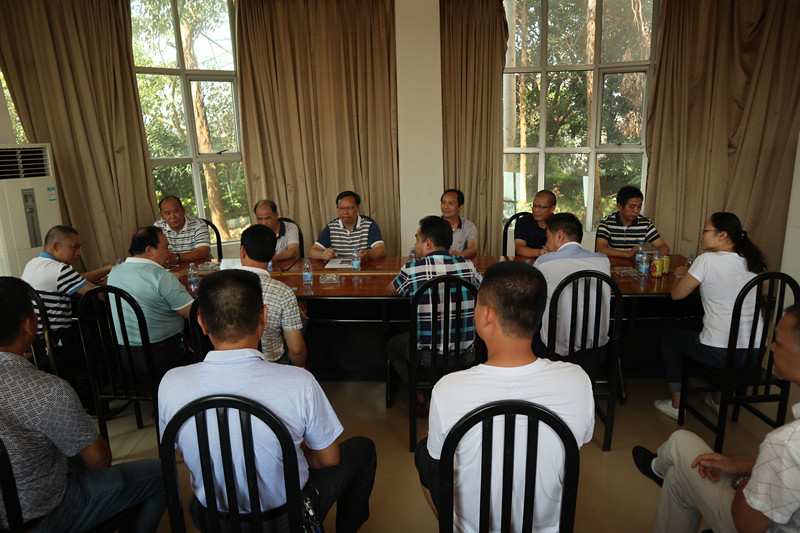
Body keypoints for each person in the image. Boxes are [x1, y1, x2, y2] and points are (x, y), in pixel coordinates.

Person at [158, 270, 376, 532]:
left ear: (202, 323)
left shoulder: (170, 383)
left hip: (212, 519)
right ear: (264, 317)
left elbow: (179, 449)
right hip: (284, 519)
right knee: (363, 449)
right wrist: (293, 455)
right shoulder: (299, 381)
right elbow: (329, 459)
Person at [414, 262, 595, 531]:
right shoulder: (577, 380)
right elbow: (581, 440)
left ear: (486, 314)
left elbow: (439, 458)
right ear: (538, 315)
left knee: (424, 453)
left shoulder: (448, 389)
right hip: (548, 528)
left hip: (475, 527)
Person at [0, 277, 165, 532]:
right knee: (159, 473)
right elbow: (98, 458)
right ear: (29, 324)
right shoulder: (48, 390)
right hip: (40, 517)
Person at [633, 303, 800, 533]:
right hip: (746, 353)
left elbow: (747, 525)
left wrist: (742, 479)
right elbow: (790, 468)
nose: (771, 347)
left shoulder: (785, 443)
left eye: (778, 342)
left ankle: (657, 467)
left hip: (754, 524)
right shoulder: (786, 448)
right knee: (679, 475)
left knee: (681, 442)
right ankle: (662, 470)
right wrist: (740, 466)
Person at [654, 212, 767, 420]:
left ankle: (677, 404)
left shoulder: (707, 260)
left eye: (705, 231)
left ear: (722, 235)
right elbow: (764, 291)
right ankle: (718, 398)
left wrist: (680, 275)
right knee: (710, 330)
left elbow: (677, 295)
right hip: (755, 351)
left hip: (719, 353)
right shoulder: (753, 262)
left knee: (670, 338)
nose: (701, 235)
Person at [385, 215, 483, 387]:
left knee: (392, 346)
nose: (415, 245)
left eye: (417, 240)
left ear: (428, 243)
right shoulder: (468, 265)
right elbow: (485, 291)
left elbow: (388, 292)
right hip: (466, 354)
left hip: (427, 357)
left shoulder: (412, 268)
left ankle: (417, 392)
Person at [21, 225, 112, 407]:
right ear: (56, 246)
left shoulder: (34, 263)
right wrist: (110, 281)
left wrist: (107, 268)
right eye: (74, 247)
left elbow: (78, 279)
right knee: (102, 342)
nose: (78, 253)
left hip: (36, 342)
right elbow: (100, 294)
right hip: (57, 342)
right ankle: (91, 403)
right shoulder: (59, 270)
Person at [107, 226, 194, 377]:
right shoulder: (161, 277)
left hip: (126, 355)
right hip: (163, 356)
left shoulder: (115, 272)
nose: (169, 252)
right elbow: (192, 313)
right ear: (149, 250)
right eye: (165, 247)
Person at [533, 212, 611, 376]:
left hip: (556, 350)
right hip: (596, 350)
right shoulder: (603, 260)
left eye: (548, 237)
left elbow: (532, 298)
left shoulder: (544, 262)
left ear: (559, 236)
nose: (546, 243)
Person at [239, 224, 307, 366]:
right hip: (272, 365)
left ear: (243, 251)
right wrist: (301, 369)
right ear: (273, 254)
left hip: (232, 367)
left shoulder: (221, 287)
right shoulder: (283, 293)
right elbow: (296, 349)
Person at [309, 190, 385, 262]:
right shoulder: (331, 227)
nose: (345, 212)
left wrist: (367, 255)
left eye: (349, 208)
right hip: (338, 269)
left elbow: (381, 250)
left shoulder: (369, 225)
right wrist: (322, 254)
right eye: (341, 208)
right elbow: (312, 251)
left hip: (362, 267)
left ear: (358, 207)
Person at [595, 185, 670, 258]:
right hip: (613, 264)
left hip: (636, 265)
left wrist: (654, 256)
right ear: (620, 207)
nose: (636, 211)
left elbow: (664, 247)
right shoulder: (607, 222)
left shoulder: (645, 223)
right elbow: (600, 249)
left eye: (639, 207)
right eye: (632, 207)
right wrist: (627, 254)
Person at [154, 195, 211, 263]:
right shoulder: (158, 227)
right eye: (168, 213)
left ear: (183, 210)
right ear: (162, 215)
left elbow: (203, 252)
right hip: (171, 267)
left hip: (199, 266)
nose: (173, 216)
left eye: (176, 211)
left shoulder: (198, 224)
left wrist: (177, 257)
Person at [514, 189, 557, 257]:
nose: (535, 210)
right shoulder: (523, 222)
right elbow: (519, 250)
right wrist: (540, 252)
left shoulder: (559, 224)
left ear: (552, 209)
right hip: (527, 261)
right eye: (534, 206)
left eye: (541, 207)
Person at [440, 188, 478, 258]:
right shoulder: (432, 224)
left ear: (460, 207)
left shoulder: (469, 226)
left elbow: (473, 248)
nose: (445, 207)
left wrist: (459, 255)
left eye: (451, 203)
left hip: (458, 262)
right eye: (443, 202)